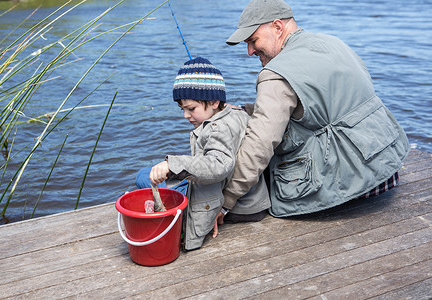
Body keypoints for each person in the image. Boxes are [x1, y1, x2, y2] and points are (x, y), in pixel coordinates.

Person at [214, 0, 410, 234]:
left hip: (351, 188)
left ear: (277, 27)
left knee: (252, 161)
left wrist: (225, 202)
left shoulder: (274, 75)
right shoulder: (334, 43)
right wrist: (247, 109)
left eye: (253, 40)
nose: (249, 51)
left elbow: (259, 145)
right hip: (385, 169)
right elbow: (324, 102)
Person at [136, 57, 270, 251]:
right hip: (251, 200)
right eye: (182, 109)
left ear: (215, 102)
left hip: (238, 207)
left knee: (143, 177)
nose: (185, 115)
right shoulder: (234, 114)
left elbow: (217, 165)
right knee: (148, 175)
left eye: (191, 109)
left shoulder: (218, 129)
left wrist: (172, 165)